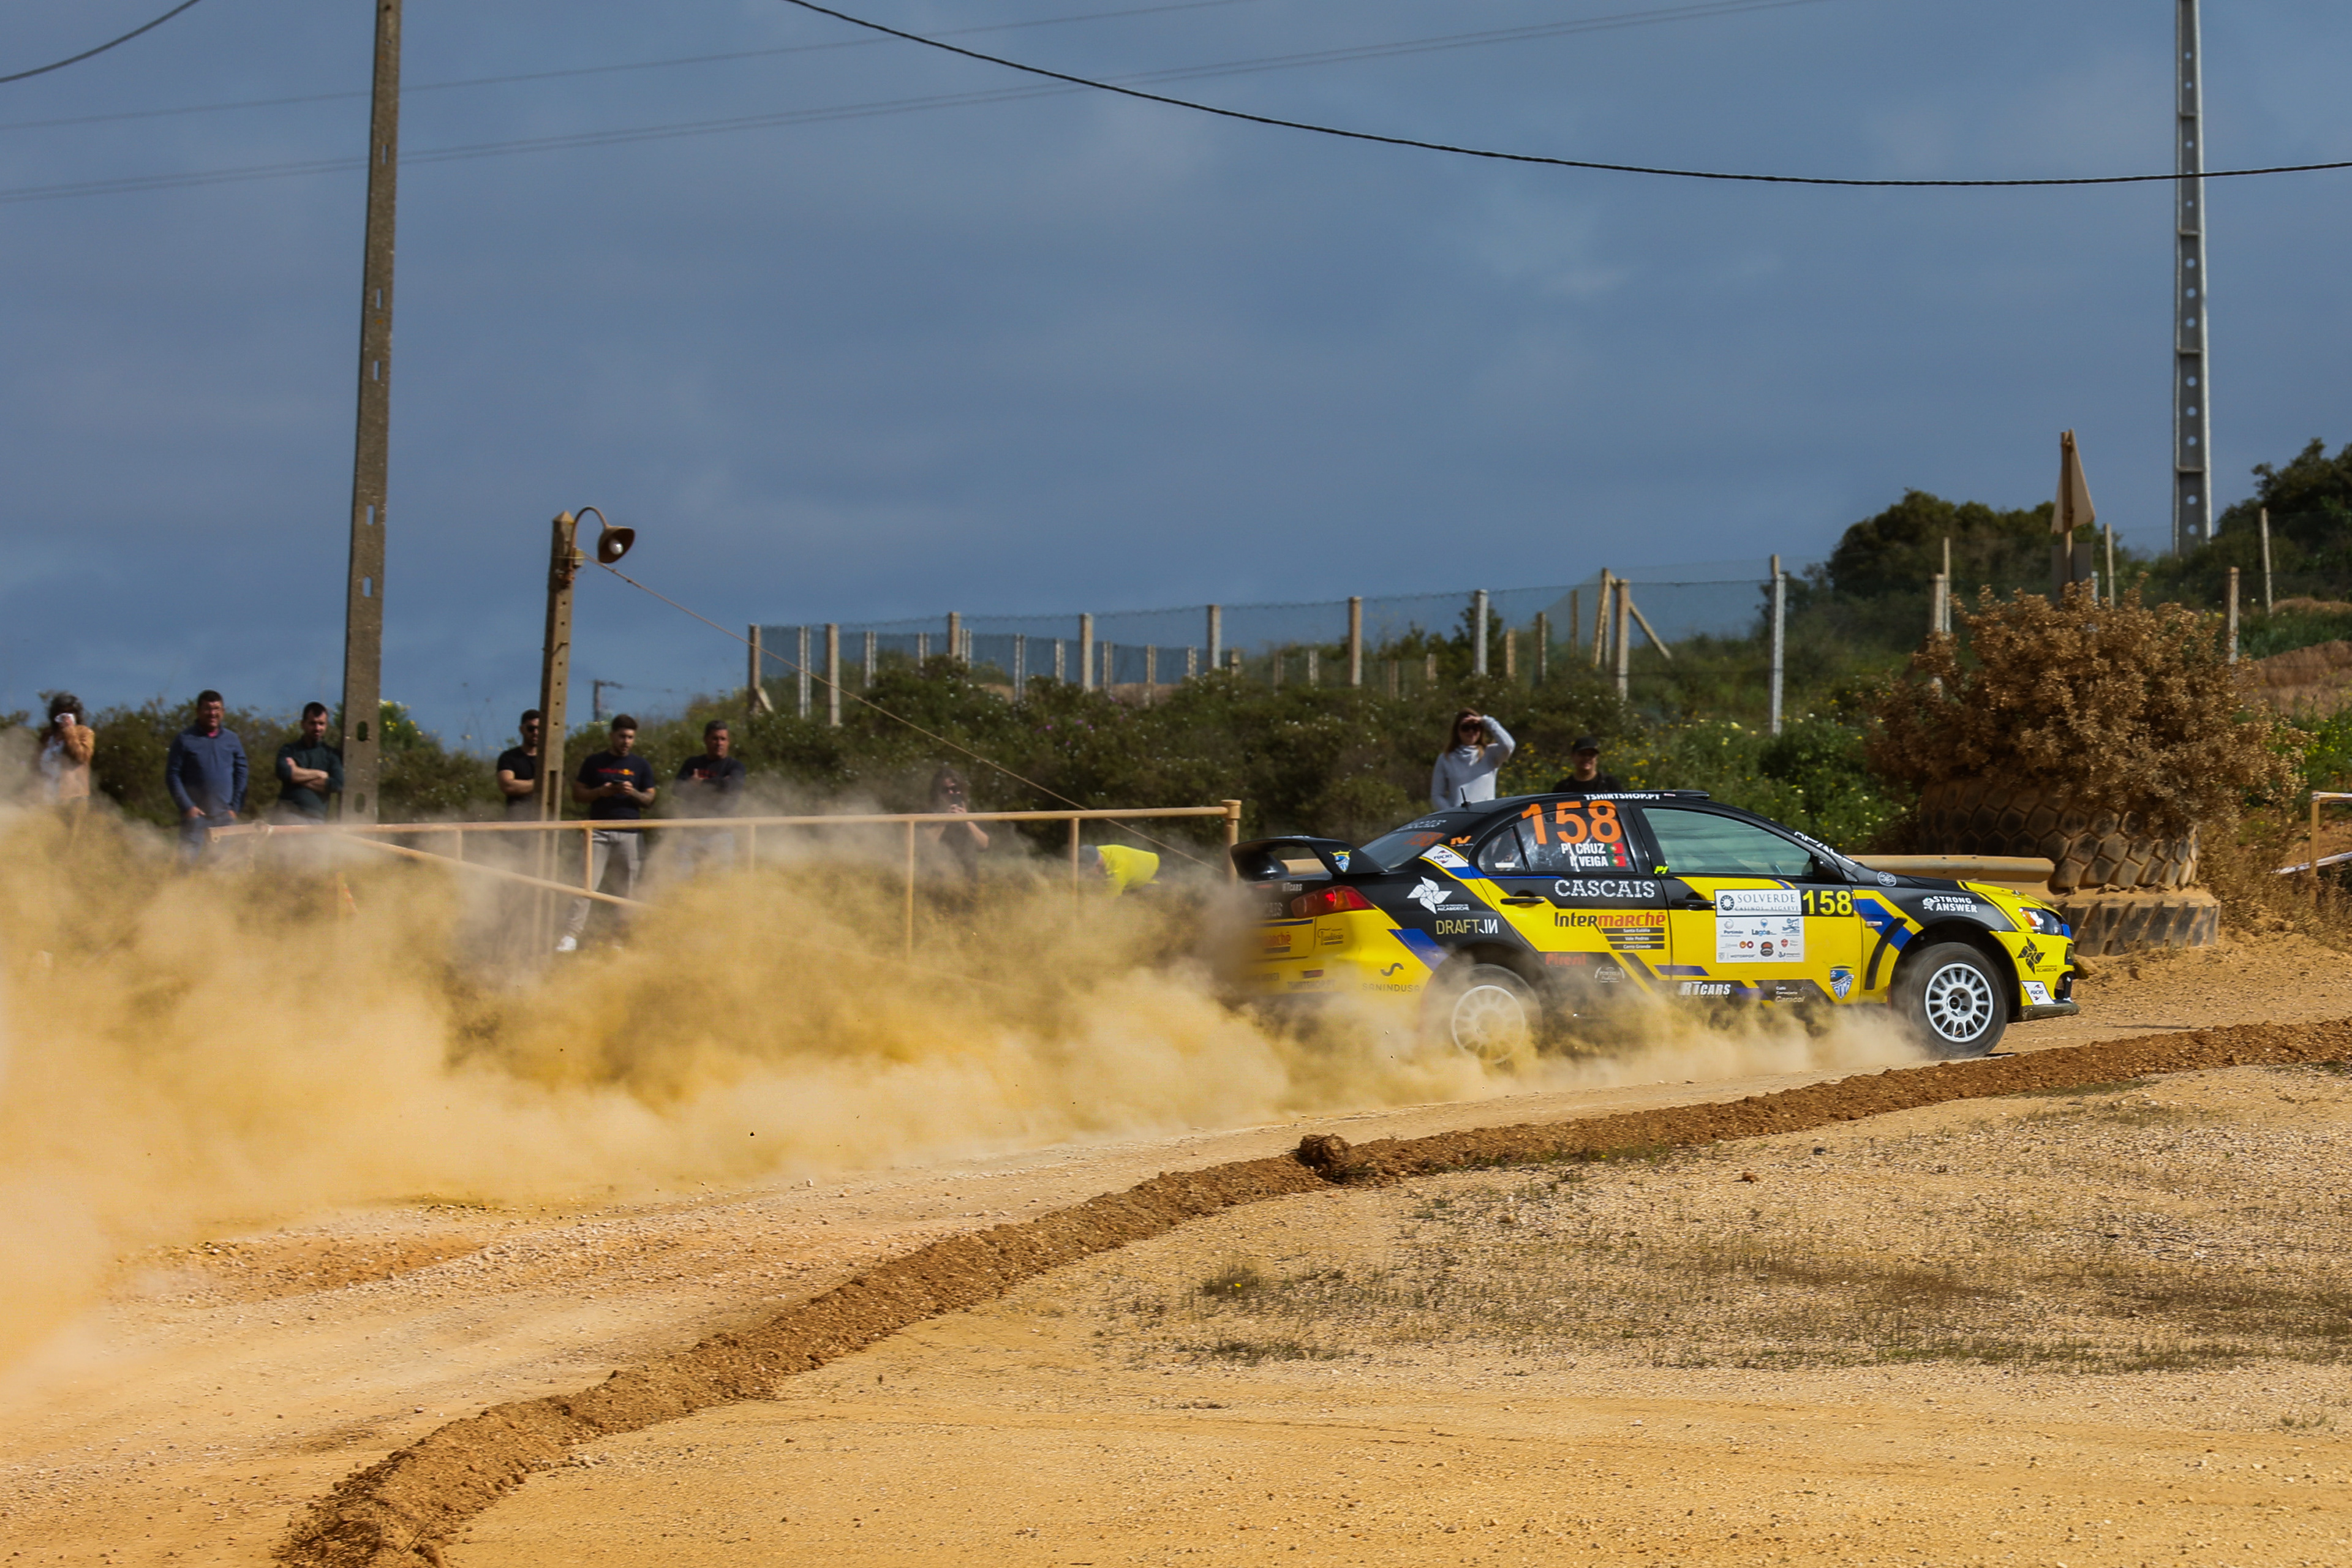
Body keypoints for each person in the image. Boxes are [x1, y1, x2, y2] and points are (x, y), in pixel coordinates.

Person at [559, 715, 656, 951]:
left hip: (630, 832)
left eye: (631, 737)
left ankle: (618, 938)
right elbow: (578, 794)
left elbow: (650, 799)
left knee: (628, 888)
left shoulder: (641, 766)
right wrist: (601, 792)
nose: (626, 741)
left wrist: (632, 792)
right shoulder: (594, 762)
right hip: (598, 831)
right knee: (586, 883)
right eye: (622, 736)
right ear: (612, 736)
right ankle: (571, 935)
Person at [165, 690, 247, 860]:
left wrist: (234, 808)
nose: (212, 714)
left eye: (217, 709)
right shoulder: (184, 739)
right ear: (198, 711)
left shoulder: (232, 740)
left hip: (224, 817)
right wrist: (188, 807)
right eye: (208, 709)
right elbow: (173, 775)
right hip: (195, 817)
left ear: (223, 712)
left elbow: (242, 773)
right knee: (186, 864)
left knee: (222, 867)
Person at [671, 719, 748, 875]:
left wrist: (700, 784)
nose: (719, 743)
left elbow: (732, 787)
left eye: (723, 739)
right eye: (715, 739)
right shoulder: (692, 763)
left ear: (728, 742)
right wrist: (719, 785)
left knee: (720, 884)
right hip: (692, 834)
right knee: (682, 881)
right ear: (706, 740)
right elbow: (677, 789)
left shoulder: (735, 766)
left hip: (721, 834)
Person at [36, 694, 95, 843]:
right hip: (45, 796)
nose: (65, 716)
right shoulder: (47, 736)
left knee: (68, 841)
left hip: (72, 796)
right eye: (61, 712)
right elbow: (36, 763)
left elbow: (81, 757)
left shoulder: (85, 733)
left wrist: (69, 732)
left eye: (70, 712)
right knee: (44, 838)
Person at [273, 702, 344, 823]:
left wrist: (297, 775)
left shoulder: (332, 755)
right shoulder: (289, 750)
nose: (317, 728)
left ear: (326, 726)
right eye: (312, 723)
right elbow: (284, 773)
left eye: (321, 724)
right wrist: (319, 774)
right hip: (287, 815)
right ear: (303, 724)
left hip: (316, 820)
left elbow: (337, 784)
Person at [1430, 709, 1515, 809]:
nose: (1471, 731)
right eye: (1466, 727)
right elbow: (1437, 795)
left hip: (1486, 816)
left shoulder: (1490, 753)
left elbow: (1509, 745)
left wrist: (1486, 721)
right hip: (1460, 819)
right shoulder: (1446, 758)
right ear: (1457, 731)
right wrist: (1453, 813)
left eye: (1475, 727)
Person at [919, 766, 989, 888]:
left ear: (961, 790)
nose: (951, 793)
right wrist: (944, 821)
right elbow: (925, 845)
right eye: (945, 790)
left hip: (968, 883)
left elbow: (984, 844)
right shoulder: (926, 814)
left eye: (955, 789)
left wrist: (966, 820)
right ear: (937, 793)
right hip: (936, 884)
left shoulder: (973, 813)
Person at [496, 710, 543, 821]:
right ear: (522, 729)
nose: (536, 732)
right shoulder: (509, 757)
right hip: (517, 822)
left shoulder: (551, 759)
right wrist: (541, 784)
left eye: (540, 729)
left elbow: (558, 787)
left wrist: (524, 786)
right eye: (531, 728)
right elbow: (508, 785)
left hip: (545, 821)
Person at [1553, 736, 1626, 794]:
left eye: (1591, 755)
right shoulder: (1563, 788)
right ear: (1573, 756)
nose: (1587, 758)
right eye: (1582, 754)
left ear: (1596, 758)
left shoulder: (1609, 784)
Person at [1080, 842, 1159, 895]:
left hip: (1157, 873)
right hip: (1142, 867)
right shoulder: (1096, 851)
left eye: (1097, 867)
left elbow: (1108, 902)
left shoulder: (1117, 871)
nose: (1096, 873)